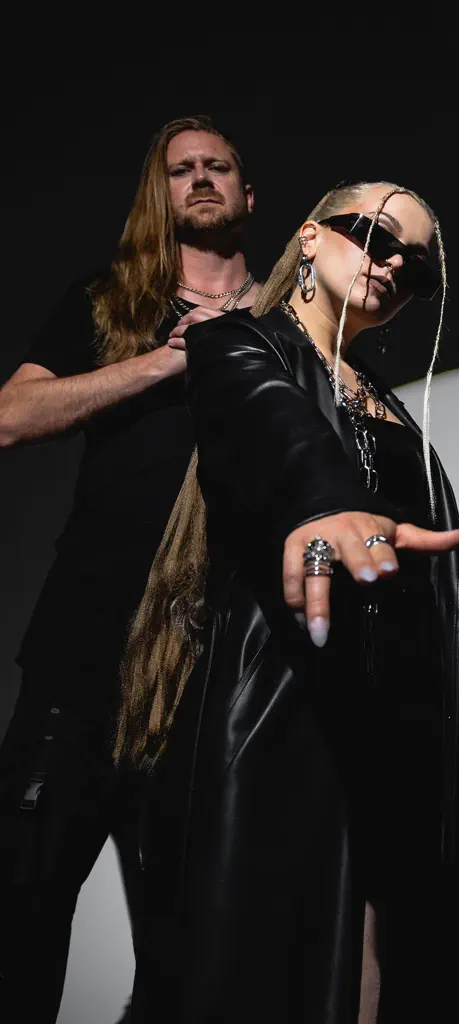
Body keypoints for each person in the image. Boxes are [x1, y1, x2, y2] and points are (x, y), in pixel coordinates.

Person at [121, 181, 459, 1023]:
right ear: (312, 236)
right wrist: (321, 500)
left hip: (400, 721)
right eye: (375, 236)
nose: (393, 265)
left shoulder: (388, 404)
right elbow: (270, 425)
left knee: (385, 961)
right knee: (274, 960)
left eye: (417, 266)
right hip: (291, 702)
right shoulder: (238, 345)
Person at [0, 115, 258, 1022]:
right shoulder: (110, 302)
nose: (200, 179)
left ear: (248, 192)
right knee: (22, 925)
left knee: (189, 956)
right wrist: (161, 363)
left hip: (206, 675)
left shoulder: (284, 323)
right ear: (160, 191)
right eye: (181, 169)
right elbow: (12, 415)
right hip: (78, 663)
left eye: (217, 166)